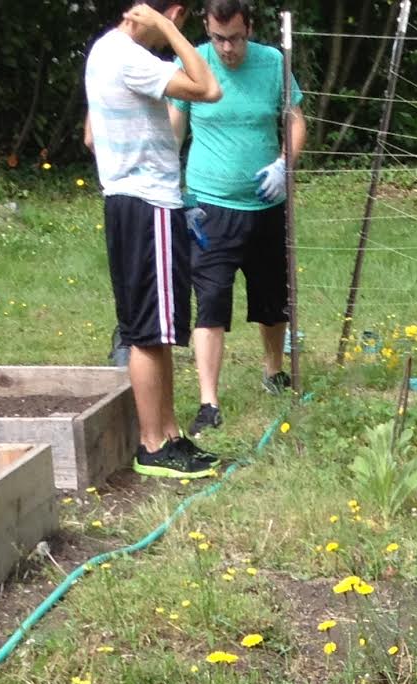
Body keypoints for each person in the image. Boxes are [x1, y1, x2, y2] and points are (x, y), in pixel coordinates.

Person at [85, 2, 224, 479]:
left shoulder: (103, 51)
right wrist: (167, 27)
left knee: (159, 329)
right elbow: (208, 87)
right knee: (149, 330)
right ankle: (152, 444)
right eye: (176, 22)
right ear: (176, 12)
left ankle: (167, 435)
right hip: (148, 205)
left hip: (130, 203)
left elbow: (90, 136)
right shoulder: (130, 56)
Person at [174, 0, 305, 434]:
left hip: (267, 205)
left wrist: (285, 164)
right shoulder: (193, 63)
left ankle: (273, 372)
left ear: (249, 28)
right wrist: (174, 187)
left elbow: (295, 119)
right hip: (209, 206)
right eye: (218, 38)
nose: (227, 48)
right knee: (210, 299)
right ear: (208, 31)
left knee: (272, 298)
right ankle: (208, 401)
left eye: (235, 37)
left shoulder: (273, 64)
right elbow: (174, 126)